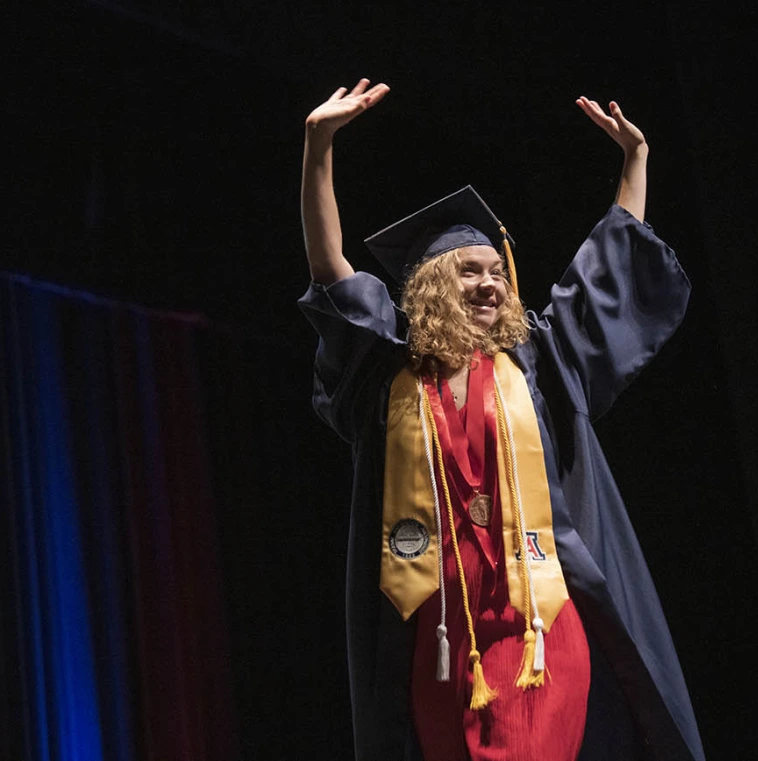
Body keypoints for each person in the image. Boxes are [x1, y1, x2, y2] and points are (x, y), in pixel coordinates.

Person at [296, 78, 704, 760]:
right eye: (469, 271)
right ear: (429, 287)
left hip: (537, 626)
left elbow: (608, 271)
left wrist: (635, 163)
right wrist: (318, 147)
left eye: (497, 271)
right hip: (439, 636)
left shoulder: (537, 361)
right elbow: (330, 271)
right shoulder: (388, 378)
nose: (491, 282)